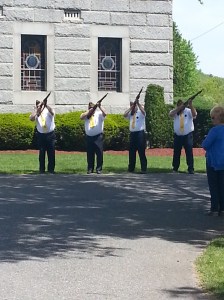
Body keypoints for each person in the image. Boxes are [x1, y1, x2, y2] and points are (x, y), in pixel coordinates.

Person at [202, 106, 224, 216]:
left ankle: (215, 208)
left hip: (213, 161)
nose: (212, 119)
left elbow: (205, 145)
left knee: (213, 185)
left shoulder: (214, 131)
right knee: (222, 185)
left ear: (218, 118)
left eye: (213, 117)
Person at [169, 98, 197, 174]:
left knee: (189, 152)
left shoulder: (188, 111)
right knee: (176, 152)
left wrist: (191, 105)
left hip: (188, 135)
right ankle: (175, 168)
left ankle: (191, 168)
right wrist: (179, 109)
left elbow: (194, 114)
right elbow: (170, 114)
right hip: (178, 135)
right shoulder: (175, 112)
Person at [29, 98, 56, 174]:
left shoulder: (48, 111)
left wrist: (46, 105)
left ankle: (51, 170)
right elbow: (31, 118)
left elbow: (52, 112)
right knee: (41, 153)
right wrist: (37, 110)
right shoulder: (37, 113)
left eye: (40, 105)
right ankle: (42, 170)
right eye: (38, 106)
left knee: (51, 153)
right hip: (41, 135)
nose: (40, 107)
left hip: (50, 135)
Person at [80, 101, 107, 174]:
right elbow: (81, 117)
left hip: (98, 137)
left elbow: (105, 113)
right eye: (90, 108)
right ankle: (90, 168)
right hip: (89, 137)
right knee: (90, 154)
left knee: (99, 153)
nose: (91, 109)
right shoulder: (87, 115)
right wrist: (89, 111)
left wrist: (100, 106)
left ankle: (99, 169)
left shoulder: (99, 114)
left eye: (92, 108)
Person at [123, 97, 147, 174]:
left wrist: (138, 103)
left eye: (134, 105)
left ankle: (143, 168)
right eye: (131, 105)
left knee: (141, 152)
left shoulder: (140, 113)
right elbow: (124, 114)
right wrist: (131, 108)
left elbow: (144, 112)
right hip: (132, 134)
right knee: (132, 152)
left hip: (140, 134)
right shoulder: (130, 114)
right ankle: (131, 168)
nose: (133, 107)